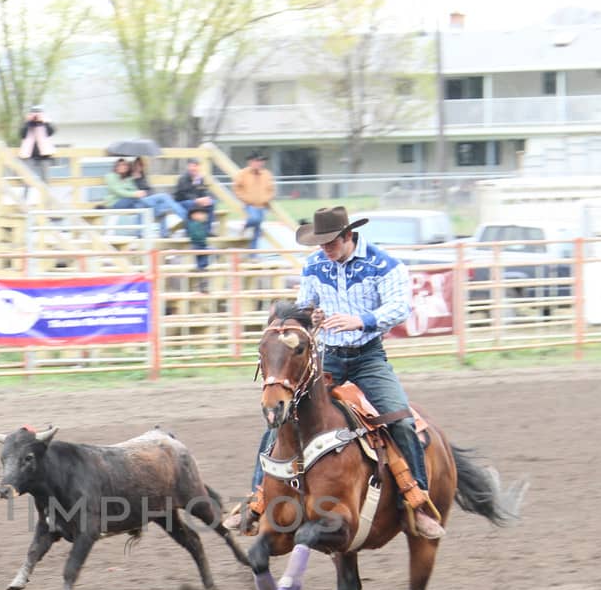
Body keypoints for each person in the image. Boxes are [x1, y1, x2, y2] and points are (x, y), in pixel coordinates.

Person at [227, 205, 445, 541]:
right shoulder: (315, 265)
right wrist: (309, 318)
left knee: (400, 420)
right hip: (326, 357)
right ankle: (258, 499)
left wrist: (362, 320)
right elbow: (305, 305)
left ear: (348, 236)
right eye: (321, 244)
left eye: (330, 243)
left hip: (368, 358)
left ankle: (417, 501)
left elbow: (400, 306)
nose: (325, 250)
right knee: (280, 419)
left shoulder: (383, 266)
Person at [115, 157, 186, 237]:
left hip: (146, 201)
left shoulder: (143, 177)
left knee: (162, 207)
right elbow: (130, 191)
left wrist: (141, 184)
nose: (138, 167)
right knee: (163, 199)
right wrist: (135, 180)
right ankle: (185, 218)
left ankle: (164, 234)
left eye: (140, 165)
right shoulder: (130, 178)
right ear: (133, 166)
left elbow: (150, 190)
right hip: (137, 201)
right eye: (136, 165)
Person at [173, 158, 220, 272]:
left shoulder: (200, 179)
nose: (193, 168)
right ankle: (204, 260)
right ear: (188, 167)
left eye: (196, 166)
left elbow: (204, 192)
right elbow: (182, 195)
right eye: (192, 166)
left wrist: (206, 198)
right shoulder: (183, 179)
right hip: (184, 202)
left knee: (211, 203)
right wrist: (197, 199)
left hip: (197, 205)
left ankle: (207, 229)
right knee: (198, 239)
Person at [233, 151, 275, 250]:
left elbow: (271, 189)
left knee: (257, 230)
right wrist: (245, 199)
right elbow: (237, 188)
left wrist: (267, 198)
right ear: (250, 162)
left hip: (263, 205)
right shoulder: (243, 174)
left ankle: (253, 254)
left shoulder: (267, 174)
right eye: (256, 161)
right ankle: (246, 226)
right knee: (255, 220)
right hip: (250, 205)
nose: (259, 163)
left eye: (261, 161)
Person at [17, 106, 56, 183]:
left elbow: (51, 132)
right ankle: (25, 195)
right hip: (29, 155)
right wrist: (28, 122)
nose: (36, 116)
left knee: (45, 179)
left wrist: (44, 122)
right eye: (34, 113)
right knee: (27, 177)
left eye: (38, 113)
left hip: (44, 156)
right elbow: (22, 134)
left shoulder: (46, 123)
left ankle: (45, 194)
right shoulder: (27, 124)